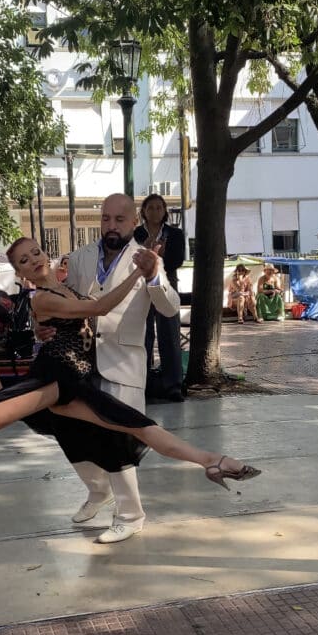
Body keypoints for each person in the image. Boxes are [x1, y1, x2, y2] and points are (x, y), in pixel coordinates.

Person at [0, 238, 260, 503]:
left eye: (36, 251)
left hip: (77, 383)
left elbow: (79, 321)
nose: (33, 259)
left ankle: (215, 461)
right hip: (52, 380)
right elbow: (99, 308)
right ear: (21, 274)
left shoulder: (67, 290)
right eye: (23, 260)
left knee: (139, 426)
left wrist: (40, 331)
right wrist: (140, 273)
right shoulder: (42, 299)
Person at [58, 192, 181, 543]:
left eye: (119, 220)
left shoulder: (143, 260)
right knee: (71, 431)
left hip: (124, 363)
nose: (111, 226)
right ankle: (99, 491)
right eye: (105, 219)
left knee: (119, 439)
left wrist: (156, 275)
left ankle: (131, 514)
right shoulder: (80, 258)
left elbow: (170, 308)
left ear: (133, 223)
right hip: (79, 362)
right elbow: (68, 303)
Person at [134, 193, 185, 402]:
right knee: (143, 334)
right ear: (143, 211)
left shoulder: (175, 233)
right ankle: (141, 384)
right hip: (140, 285)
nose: (155, 211)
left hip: (166, 282)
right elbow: (130, 259)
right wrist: (145, 250)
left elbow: (178, 259)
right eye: (150, 208)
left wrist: (158, 257)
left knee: (170, 333)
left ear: (164, 211)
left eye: (159, 208)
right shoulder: (135, 233)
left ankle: (173, 385)